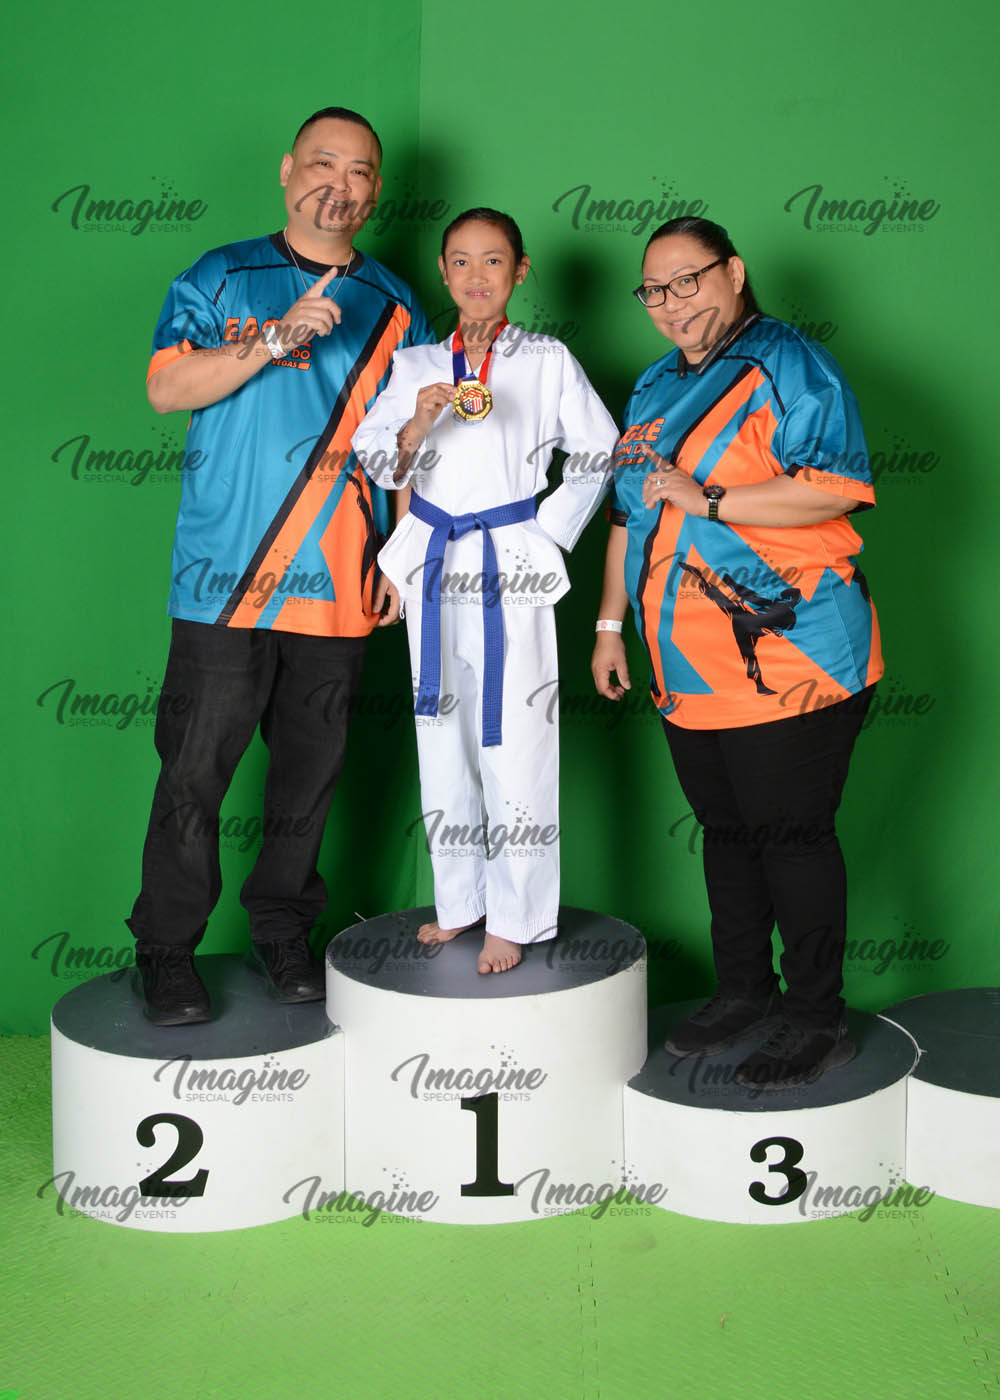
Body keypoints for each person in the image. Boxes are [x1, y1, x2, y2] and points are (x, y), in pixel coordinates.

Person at [128, 107, 434, 1024]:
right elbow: (165, 387)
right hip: (225, 577)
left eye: (361, 171)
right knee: (193, 774)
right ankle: (165, 950)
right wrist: (271, 338)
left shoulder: (400, 305)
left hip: (340, 578)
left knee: (308, 779)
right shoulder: (220, 274)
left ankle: (282, 932)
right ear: (288, 169)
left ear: (376, 191)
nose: (340, 185)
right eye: (324, 164)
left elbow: (411, 448)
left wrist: (401, 555)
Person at [591, 216, 882, 1088]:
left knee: (791, 837)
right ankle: (745, 993)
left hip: (795, 657)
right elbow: (627, 514)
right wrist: (609, 626)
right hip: (684, 662)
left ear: (735, 272)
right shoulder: (651, 386)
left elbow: (835, 489)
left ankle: (817, 1016)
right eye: (654, 289)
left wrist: (712, 499)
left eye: (689, 280)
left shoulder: (790, 362)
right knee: (726, 835)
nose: (671, 302)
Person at [353, 209, 617, 973]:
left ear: (520, 271)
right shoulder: (414, 364)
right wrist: (415, 426)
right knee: (442, 738)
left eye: (493, 260)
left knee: (516, 740)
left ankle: (518, 916)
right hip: (435, 561)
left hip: (511, 562)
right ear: (443, 272)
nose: (476, 276)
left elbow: (599, 450)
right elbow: (376, 457)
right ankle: (460, 902)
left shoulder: (547, 360)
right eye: (461, 261)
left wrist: (548, 532)